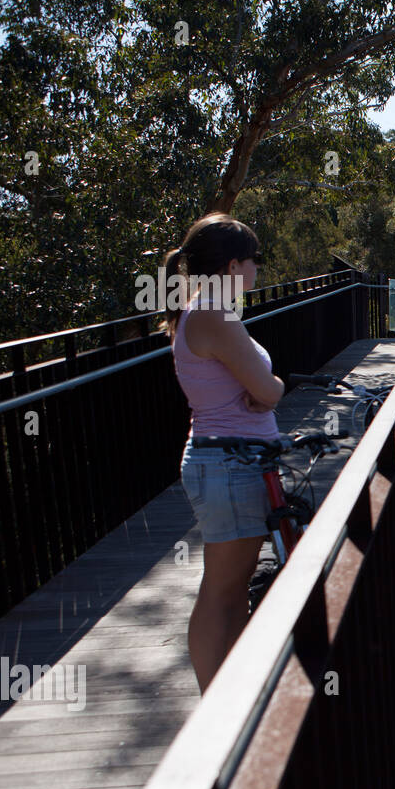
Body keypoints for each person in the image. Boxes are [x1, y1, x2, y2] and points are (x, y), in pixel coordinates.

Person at [164, 213, 283, 694]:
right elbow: (268, 390)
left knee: (231, 590)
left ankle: (230, 694)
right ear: (235, 265)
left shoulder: (205, 311)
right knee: (222, 592)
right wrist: (271, 388)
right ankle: (217, 709)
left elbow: (254, 389)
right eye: (255, 260)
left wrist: (262, 391)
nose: (258, 269)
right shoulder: (214, 315)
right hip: (228, 464)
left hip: (231, 460)